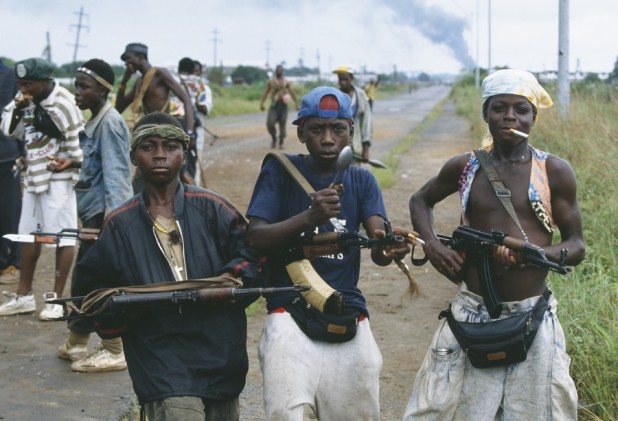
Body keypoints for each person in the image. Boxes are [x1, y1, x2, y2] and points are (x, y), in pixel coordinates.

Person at [403, 69, 585, 420]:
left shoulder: (554, 171)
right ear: (485, 113)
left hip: (532, 315)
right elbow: (420, 200)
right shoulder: (466, 167)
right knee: (441, 410)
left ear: (534, 117)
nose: (510, 117)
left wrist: (531, 256)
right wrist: (432, 245)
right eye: (500, 108)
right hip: (470, 312)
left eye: (521, 109)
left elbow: (576, 246)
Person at [74, 112, 263, 419]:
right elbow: (92, 289)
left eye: (170, 146)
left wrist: (231, 281)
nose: (160, 154)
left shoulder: (214, 208)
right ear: (134, 155)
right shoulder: (120, 223)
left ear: (184, 154)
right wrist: (125, 310)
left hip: (219, 349)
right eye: (149, 146)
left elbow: (253, 255)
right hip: (158, 354)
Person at [246, 86, 416, 420]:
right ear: (300, 133)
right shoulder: (279, 171)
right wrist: (309, 217)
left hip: (345, 307)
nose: (327, 139)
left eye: (337, 129)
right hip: (289, 309)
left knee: (358, 411)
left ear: (350, 133)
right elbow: (255, 237)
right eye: (316, 130)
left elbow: (378, 242)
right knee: (285, 412)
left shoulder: (362, 181)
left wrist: (391, 246)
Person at [50, 59, 133, 371]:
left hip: (103, 219)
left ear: (103, 89)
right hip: (93, 216)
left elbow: (117, 177)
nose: (77, 92)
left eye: (84, 87)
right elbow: (96, 168)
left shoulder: (110, 123)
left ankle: (114, 349)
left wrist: (114, 225)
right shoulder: (97, 120)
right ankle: (77, 341)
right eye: (76, 86)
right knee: (84, 278)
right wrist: (71, 164)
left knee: (97, 281)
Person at [0, 58, 83, 319]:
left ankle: (57, 300)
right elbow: (9, 130)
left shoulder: (64, 103)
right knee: (28, 236)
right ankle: (24, 297)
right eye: (21, 83)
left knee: (63, 236)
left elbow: (80, 145)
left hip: (59, 179)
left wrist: (72, 165)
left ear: (45, 81)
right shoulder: (24, 100)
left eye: (29, 84)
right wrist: (17, 107)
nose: (24, 88)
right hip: (34, 177)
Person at [114, 43, 196, 188]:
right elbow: (119, 108)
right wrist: (124, 82)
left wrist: (190, 132)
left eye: (128, 59)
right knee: (143, 174)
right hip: (148, 134)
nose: (126, 63)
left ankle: (201, 201)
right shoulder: (140, 82)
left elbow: (186, 99)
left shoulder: (159, 74)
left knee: (181, 173)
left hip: (167, 132)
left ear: (140, 58)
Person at [169, 57, 213, 186]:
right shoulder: (200, 84)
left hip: (172, 124)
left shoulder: (171, 80)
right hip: (191, 128)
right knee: (190, 164)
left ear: (179, 68)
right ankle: (192, 192)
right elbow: (204, 107)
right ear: (192, 70)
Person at [0, 59, 23, 285]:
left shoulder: (11, 76)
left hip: (7, 156)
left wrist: (23, 152)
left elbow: (22, 115)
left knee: (10, 211)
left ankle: (14, 263)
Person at [333, 65, 373, 164]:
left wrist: (366, 148)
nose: (342, 82)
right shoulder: (334, 96)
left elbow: (367, 123)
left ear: (351, 78)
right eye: (340, 79)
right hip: (337, 146)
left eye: (345, 79)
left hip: (355, 146)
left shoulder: (361, 95)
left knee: (353, 175)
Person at [259, 64, 299, 149]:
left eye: (280, 70)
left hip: (283, 106)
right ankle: (274, 138)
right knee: (270, 123)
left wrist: (296, 103)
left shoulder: (286, 82)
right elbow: (266, 93)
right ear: (275, 71)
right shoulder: (271, 82)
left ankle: (281, 141)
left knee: (282, 124)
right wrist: (262, 103)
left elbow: (292, 92)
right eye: (277, 70)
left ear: (282, 71)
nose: (279, 71)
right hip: (274, 106)